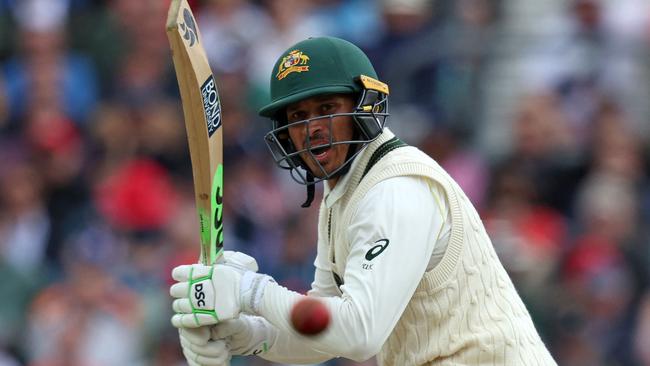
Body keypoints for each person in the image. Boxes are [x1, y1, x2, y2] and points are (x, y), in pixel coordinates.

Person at [169, 36, 557, 366]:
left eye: (327, 109)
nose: (312, 128)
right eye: (299, 115)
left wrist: (250, 291)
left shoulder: (395, 189)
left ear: (364, 107)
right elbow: (324, 330)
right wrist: (248, 335)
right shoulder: (343, 191)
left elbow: (358, 332)